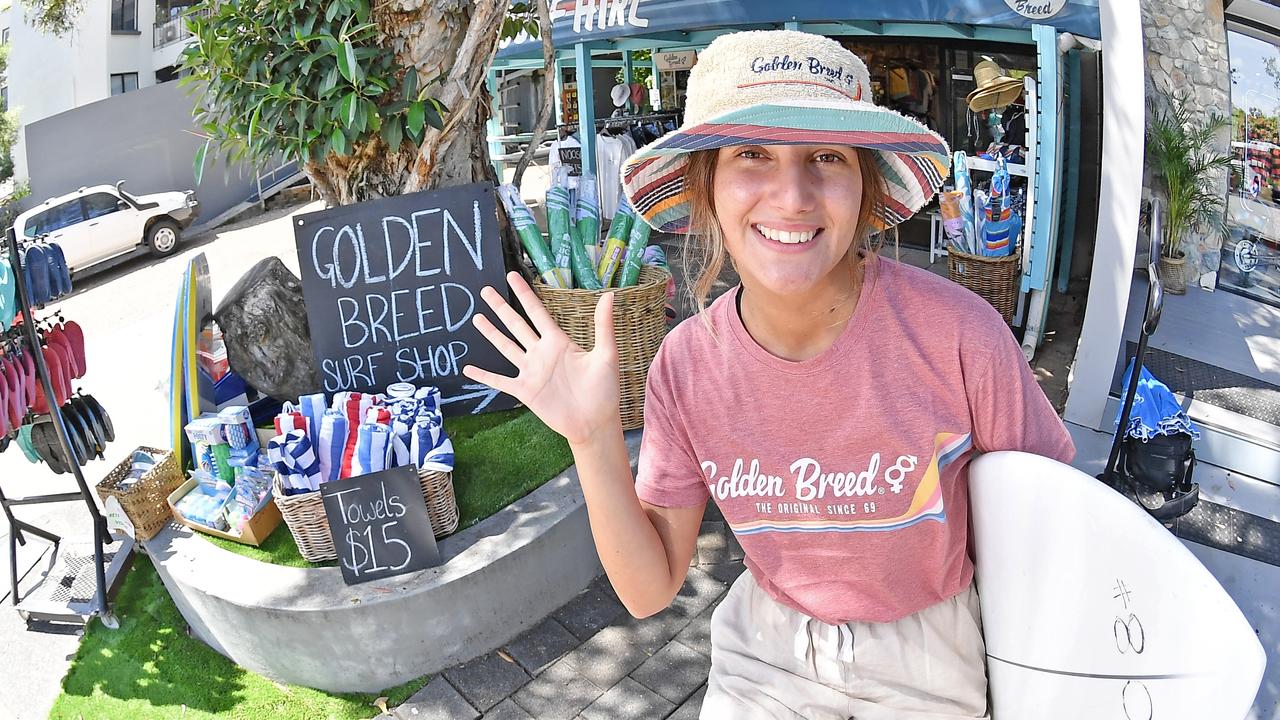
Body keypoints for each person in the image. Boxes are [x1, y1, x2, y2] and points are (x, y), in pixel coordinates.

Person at [463, 30, 1075, 720]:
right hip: (766, 649)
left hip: (930, 653)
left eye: (826, 157)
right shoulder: (686, 364)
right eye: (753, 153)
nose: (792, 195)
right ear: (708, 186)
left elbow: (1052, 529)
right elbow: (647, 590)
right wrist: (594, 436)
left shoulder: (962, 336)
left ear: (866, 187)